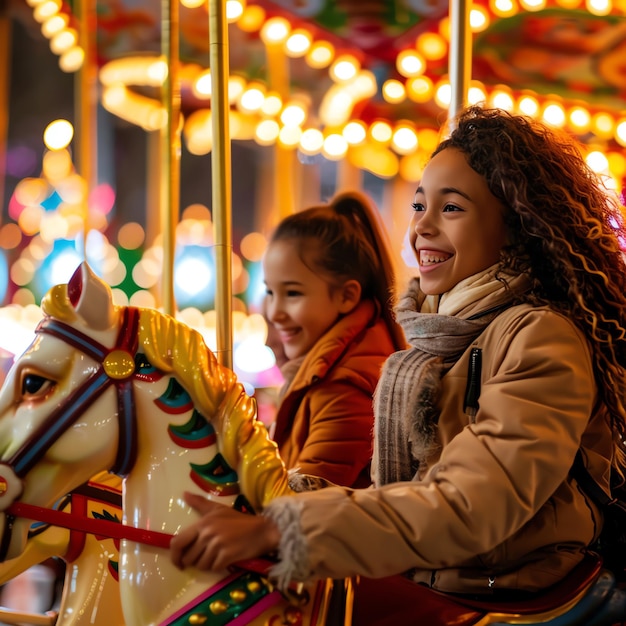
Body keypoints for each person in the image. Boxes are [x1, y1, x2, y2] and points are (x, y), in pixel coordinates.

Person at [170, 106, 626, 603]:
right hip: (439, 583)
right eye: (418, 205)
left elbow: (472, 504)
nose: (423, 226)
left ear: (514, 226)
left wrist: (286, 527)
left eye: (451, 208)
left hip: (510, 595)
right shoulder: (437, 340)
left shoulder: (541, 337)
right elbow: (402, 492)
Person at [261, 191, 406, 489]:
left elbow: (296, 504)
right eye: (270, 292)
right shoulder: (326, 368)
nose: (274, 312)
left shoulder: (345, 387)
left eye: (293, 293)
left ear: (346, 296)